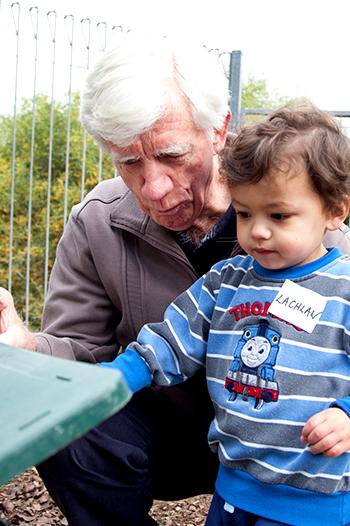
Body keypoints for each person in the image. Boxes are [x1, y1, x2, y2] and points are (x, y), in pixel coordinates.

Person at [0, 34, 349, 526]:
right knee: (68, 419)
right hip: (161, 431)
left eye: (170, 154)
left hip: (294, 449)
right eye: (129, 162)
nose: (155, 187)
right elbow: (87, 354)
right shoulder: (98, 221)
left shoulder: (328, 245)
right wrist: (29, 348)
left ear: (219, 129)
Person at [100, 105, 350, 526]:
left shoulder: (343, 289)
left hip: (314, 503)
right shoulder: (226, 280)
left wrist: (346, 414)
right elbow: (170, 340)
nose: (258, 231)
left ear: (334, 210)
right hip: (233, 489)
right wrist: (113, 380)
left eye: (279, 215)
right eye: (245, 213)